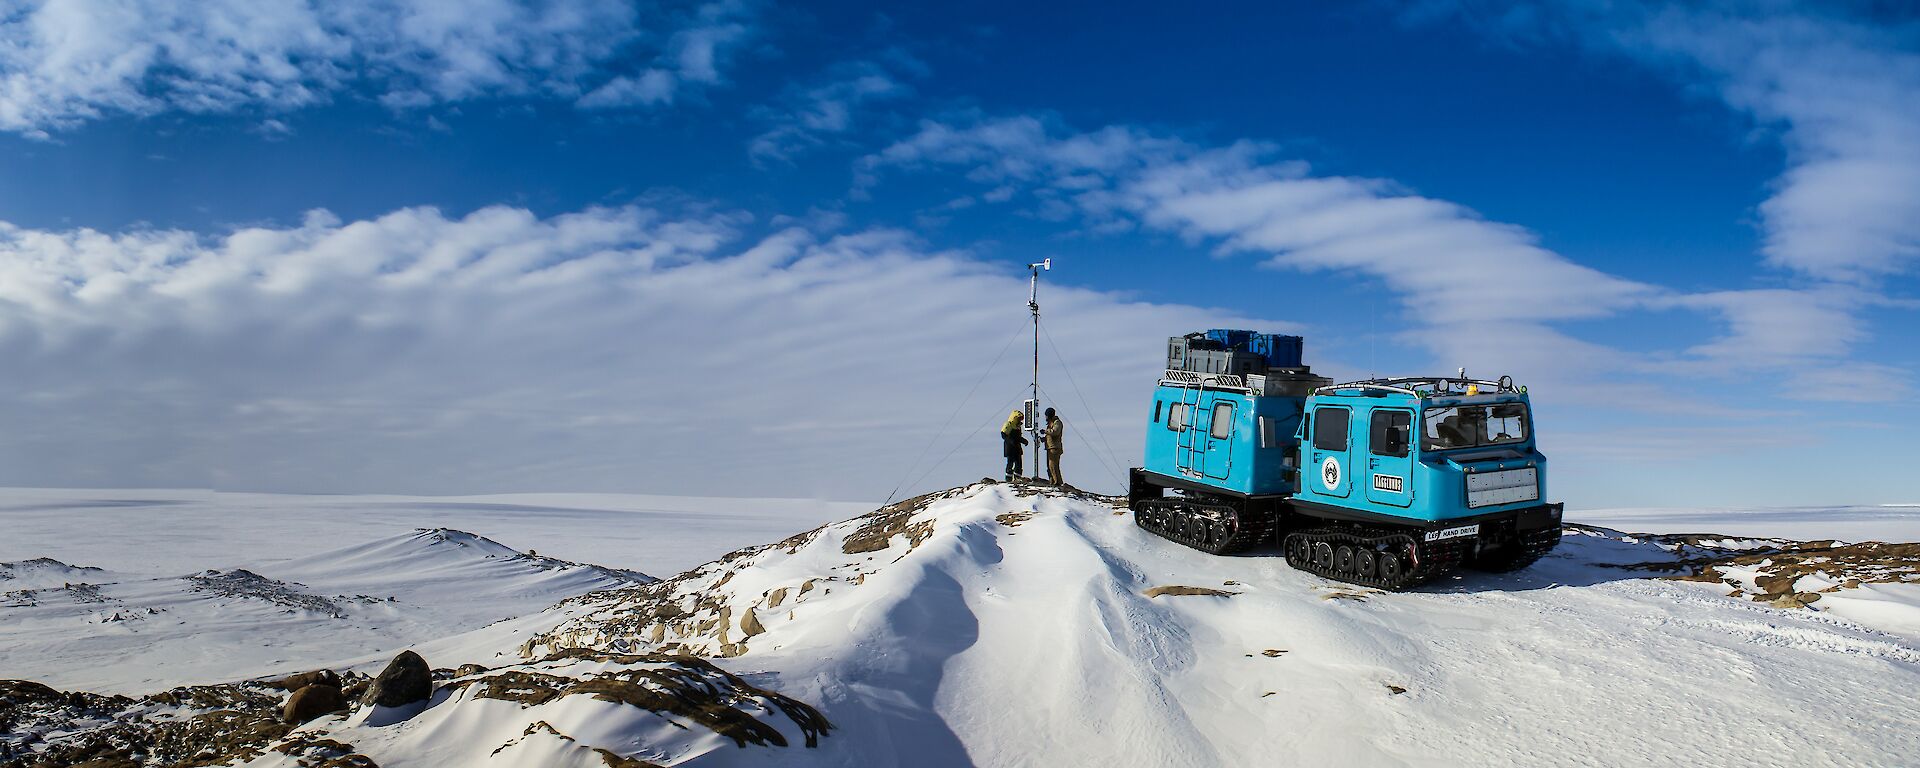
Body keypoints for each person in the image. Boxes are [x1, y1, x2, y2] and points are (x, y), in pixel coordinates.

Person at [1001, 410, 1028, 481]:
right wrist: (1010, 441)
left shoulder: (1018, 426)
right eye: (1019, 418)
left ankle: (1017, 478)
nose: (1020, 420)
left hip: (1017, 447)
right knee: (1010, 463)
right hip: (1010, 448)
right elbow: (1003, 435)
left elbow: (1018, 437)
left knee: (1019, 463)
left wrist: (1024, 441)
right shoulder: (1008, 424)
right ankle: (1008, 479)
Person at [1043, 407, 1065, 487]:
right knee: (1049, 466)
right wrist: (1044, 439)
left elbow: (1055, 432)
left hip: (1055, 447)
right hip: (1050, 447)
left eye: (1046, 416)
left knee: (1053, 466)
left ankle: (1057, 482)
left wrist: (1046, 431)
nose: (1045, 418)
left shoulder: (1057, 423)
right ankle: (1052, 481)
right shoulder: (1050, 423)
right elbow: (1050, 435)